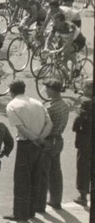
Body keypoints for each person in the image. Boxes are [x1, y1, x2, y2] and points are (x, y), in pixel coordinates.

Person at [4, 79, 53, 221]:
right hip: (39, 145)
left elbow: (21, 128)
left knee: (22, 179)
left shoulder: (12, 105)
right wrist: (40, 139)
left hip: (25, 144)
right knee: (35, 177)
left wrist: (35, 139)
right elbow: (49, 123)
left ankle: (20, 212)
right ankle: (31, 210)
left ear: (11, 91)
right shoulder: (38, 103)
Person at [36, 79, 70, 211]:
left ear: (53, 90)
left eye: (47, 88)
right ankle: (56, 201)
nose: (45, 91)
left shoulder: (50, 108)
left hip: (49, 141)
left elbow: (42, 124)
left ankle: (40, 204)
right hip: (58, 140)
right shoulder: (64, 105)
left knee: (43, 173)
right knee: (56, 172)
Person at [73, 79, 93, 207]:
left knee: (83, 166)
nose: (83, 90)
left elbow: (78, 122)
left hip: (86, 140)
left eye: (85, 88)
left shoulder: (87, 103)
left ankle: (83, 196)